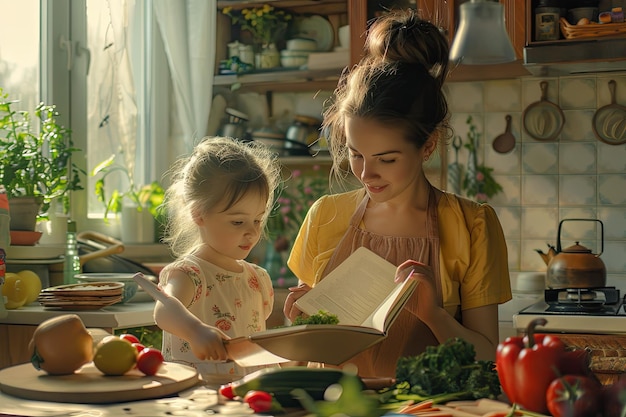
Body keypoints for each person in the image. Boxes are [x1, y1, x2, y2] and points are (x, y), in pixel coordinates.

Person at [283, 9, 512, 379]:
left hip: (427, 407)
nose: (366, 173)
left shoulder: (473, 227)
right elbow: (306, 351)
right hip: (336, 405)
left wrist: (434, 314)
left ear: (428, 146)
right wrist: (297, 324)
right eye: (356, 154)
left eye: (386, 159)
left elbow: (488, 359)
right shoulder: (325, 216)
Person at [153, 136, 282, 384]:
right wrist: (195, 331)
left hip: (249, 397)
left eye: (257, 219)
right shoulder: (189, 274)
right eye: (238, 221)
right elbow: (164, 310)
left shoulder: (257, 278)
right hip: (197, 395)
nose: (253, 232)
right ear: (198, 214)